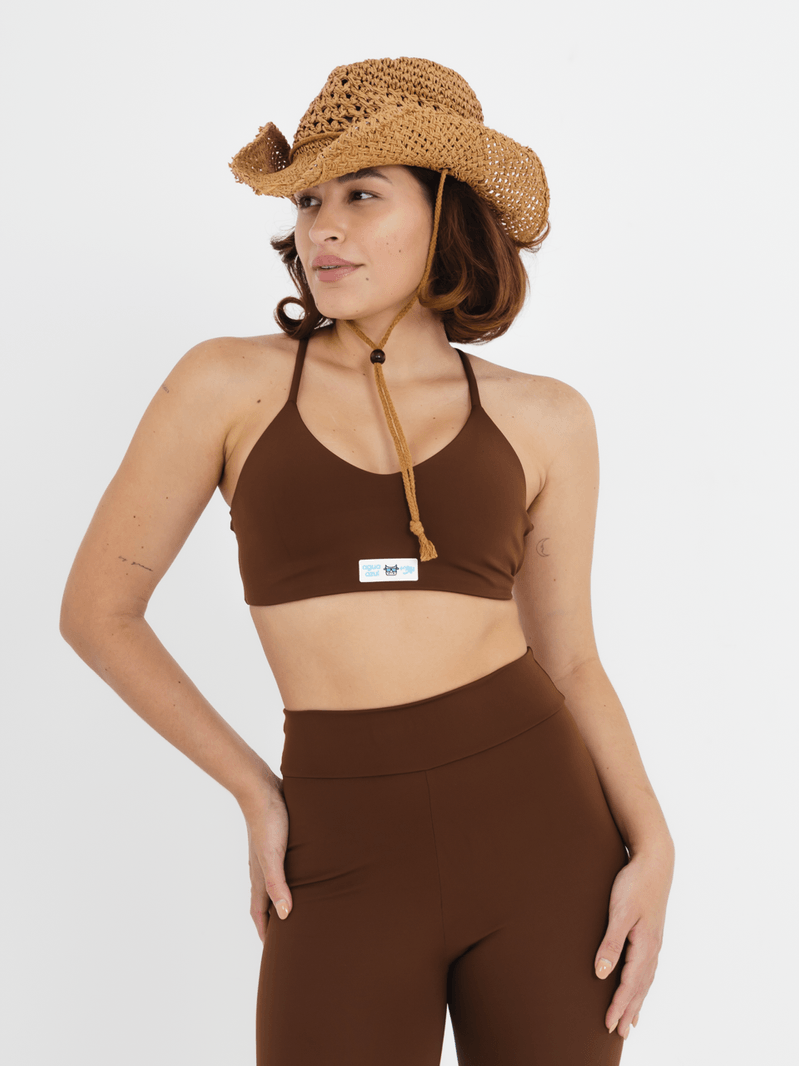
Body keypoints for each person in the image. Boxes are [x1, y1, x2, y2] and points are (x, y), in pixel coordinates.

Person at [60, 56, 675, 1066]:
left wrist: (653, 845)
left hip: (542, 831)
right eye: (308, 201)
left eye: (360, 194)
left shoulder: (545, 417)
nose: (323, 229)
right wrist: (256, 790)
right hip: (338, 841)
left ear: (444, 212)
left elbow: (571, 660)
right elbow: (97, 611)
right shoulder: (226, 385)